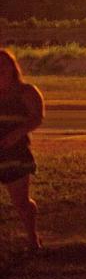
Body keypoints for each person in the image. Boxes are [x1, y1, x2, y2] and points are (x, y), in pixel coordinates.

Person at [0, 49, 44, 251]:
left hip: (15, 155)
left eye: (4, 64)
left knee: (21, 202)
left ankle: (32, 237)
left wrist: (17, 134)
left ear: (12, 67)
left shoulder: (26, 92)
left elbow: (37, 117)